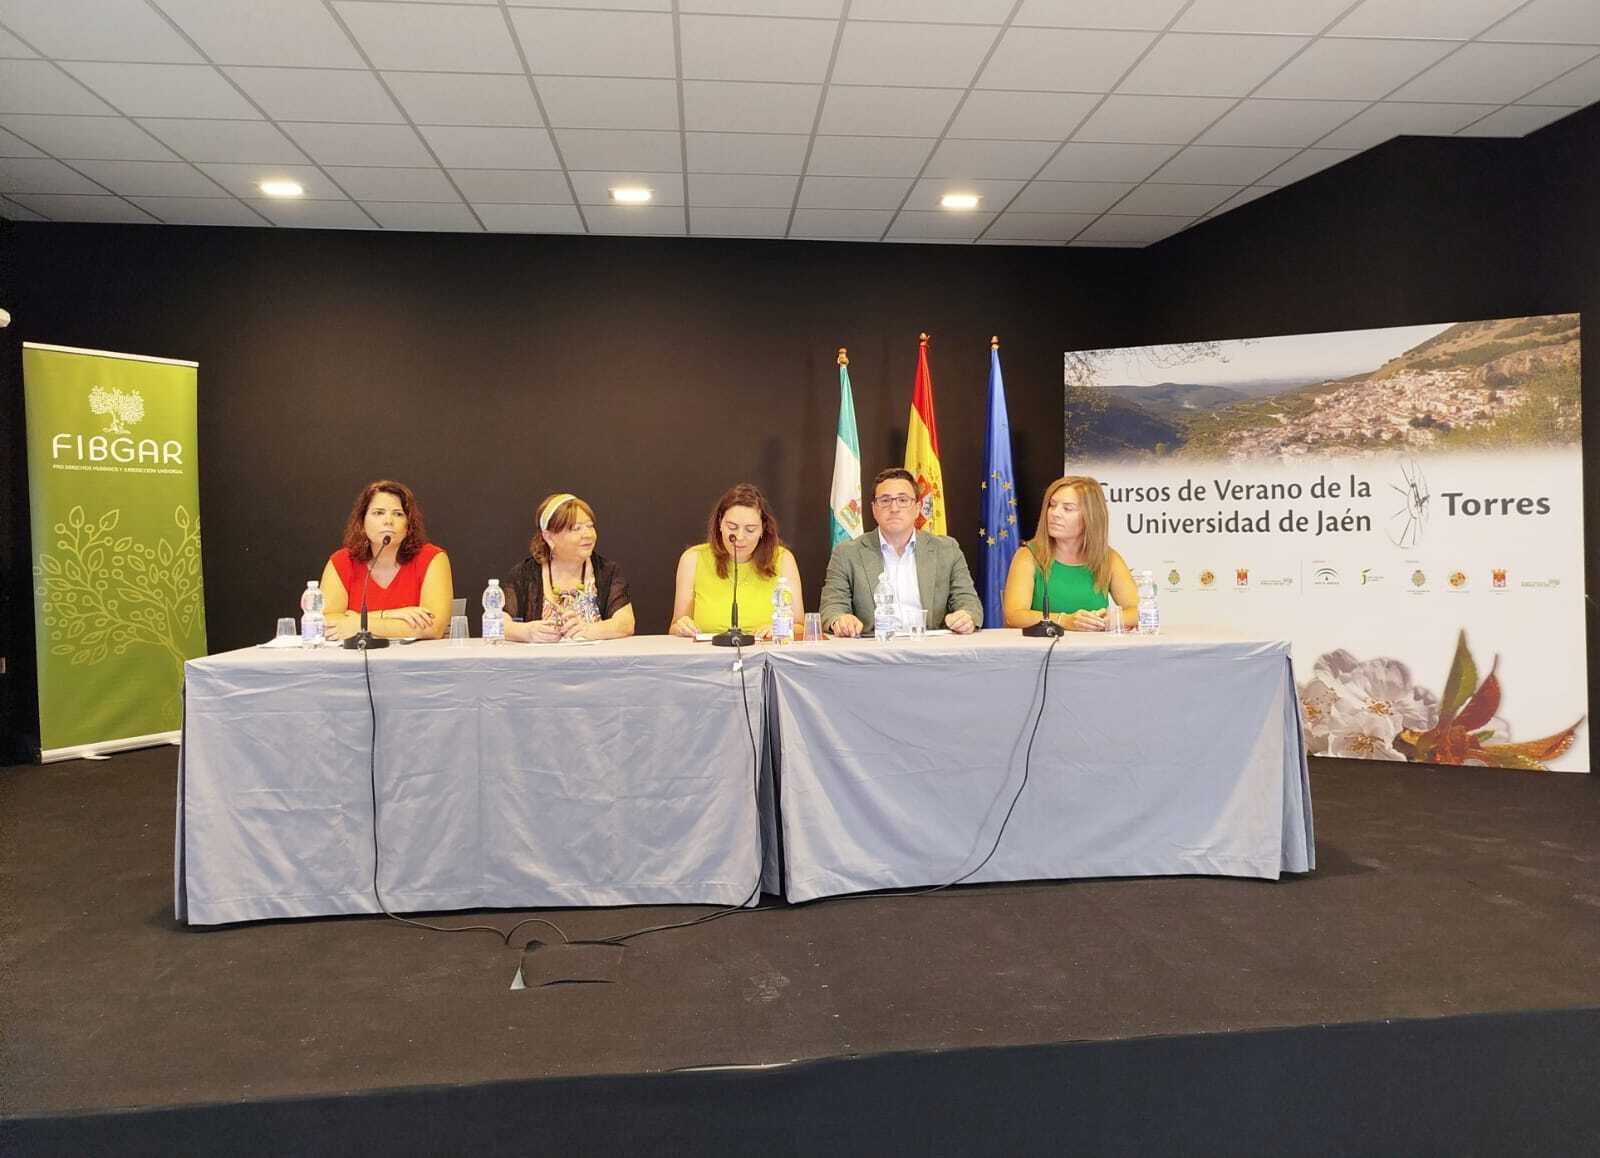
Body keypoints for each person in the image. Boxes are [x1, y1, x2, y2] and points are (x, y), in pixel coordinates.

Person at [819, 467, 982, 636]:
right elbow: (831, 607)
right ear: (874, 509)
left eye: (903, 500)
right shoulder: (847, 553)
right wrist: (840, 619)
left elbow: (969, 603)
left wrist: (966, 616)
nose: (894, 508)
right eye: (885, 500)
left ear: (917, 508)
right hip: (873, 653)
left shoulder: (947, 550)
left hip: (931, 651)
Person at [321, 479, 453, 641]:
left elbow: (433, 627)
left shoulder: (431, 558)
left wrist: (359, 624)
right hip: (352, 664)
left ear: (408, 525)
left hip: (417, 663)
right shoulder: (342, 561)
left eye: (398, 514)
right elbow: (324, 624)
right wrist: (391, 614)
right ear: (362, 521)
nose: (388, 521)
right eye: (378, 513)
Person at [1002, 475, 1138, 632]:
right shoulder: (1028, 555)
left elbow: (1138, 610)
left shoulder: (1109, 558)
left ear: (1090, 517)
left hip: (1095, 653)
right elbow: (1014, 616)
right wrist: (1064, 621)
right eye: (1052, 505)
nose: (1054, 513)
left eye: (1067, 508)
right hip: (1042, 652)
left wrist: (1109, 621)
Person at [670, 483, 804, 637]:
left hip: (765, 656)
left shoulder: (783, 559)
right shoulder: (692, 559)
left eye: (750, 529)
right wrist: (682, 627)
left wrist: (780, 630)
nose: (740, 537)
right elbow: (674, 627)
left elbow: (800, 626)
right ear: (720, 523)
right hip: (708, 657)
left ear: (763, 529)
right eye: (732, 527)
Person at [503, 493, 635, 643]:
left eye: (590, 526)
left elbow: (626, 623)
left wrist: (589, 630)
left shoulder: (607, 571)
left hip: (597, 665)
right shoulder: (524, 575)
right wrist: (527, 632)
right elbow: (498, 623)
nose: (588, 534)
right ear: (549, 537)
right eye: (576, 529)